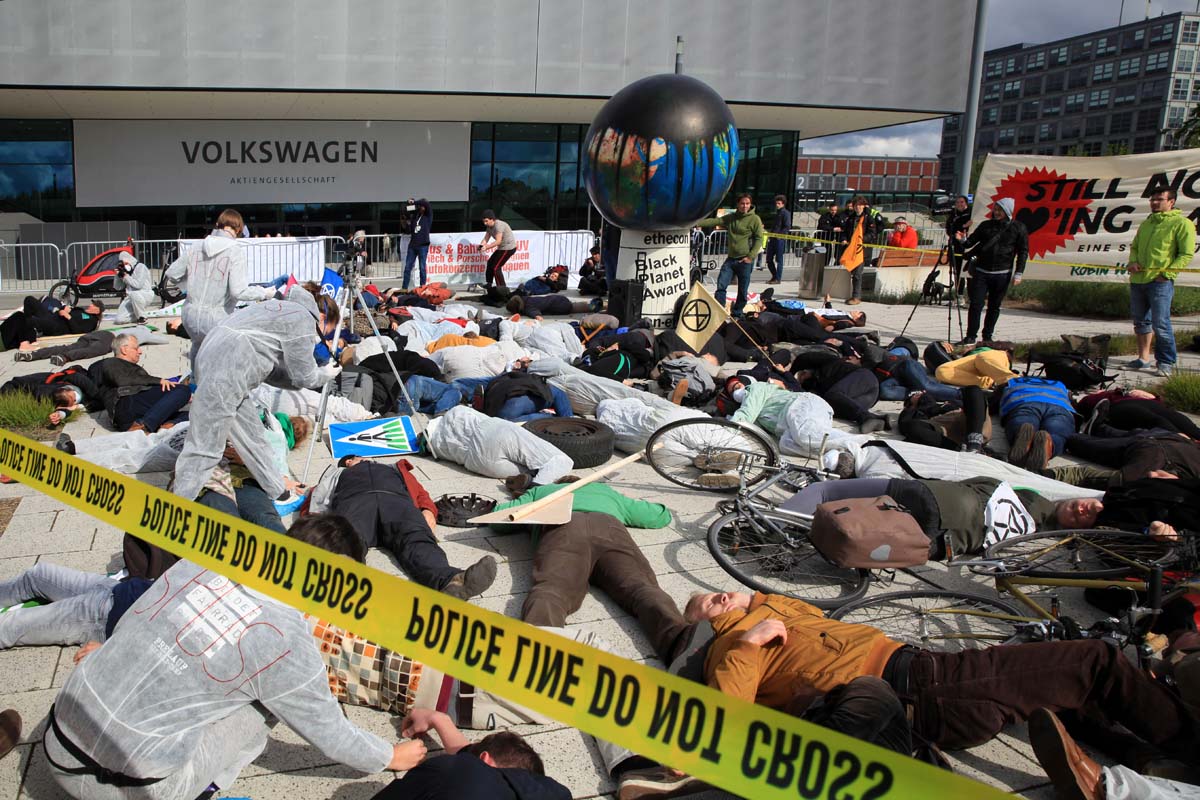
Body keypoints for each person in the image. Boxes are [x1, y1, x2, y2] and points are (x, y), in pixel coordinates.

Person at [44, 515, 428, 800]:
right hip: (125, 789)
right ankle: (205, 788)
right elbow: (330, 733)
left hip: (56, 739)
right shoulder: (287, 641)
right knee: (266, 707)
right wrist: (389, 755)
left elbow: (137, 620)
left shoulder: (202, 564)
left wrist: (108, 651)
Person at [685, 591, 1199, 759]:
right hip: (924, 690)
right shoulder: (730, 645)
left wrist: (760, 603)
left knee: (1062, 683)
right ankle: (1188, 742)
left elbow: (805, 614)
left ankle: (1139, 758)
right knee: (1095, 659)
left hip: (927, 677)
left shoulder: (773, 608)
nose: (721, 595)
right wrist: (747, 641)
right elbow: (724, 716)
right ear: (707, 622)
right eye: (709, 601)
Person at [172, 283, 342, 503]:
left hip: (221, 367)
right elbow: (304, 377)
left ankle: (277, 487)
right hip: (227, 372)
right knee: (205, 447)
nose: (320, 339)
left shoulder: (275, 308)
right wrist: (325, 374)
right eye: (326, 331)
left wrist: (311, 376)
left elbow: (270, 370)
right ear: (321, 317)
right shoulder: (302, 319)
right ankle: (177, 504)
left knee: (253, 435)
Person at [496, 484, 688, 664]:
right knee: (641, 588)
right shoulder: (605, 491)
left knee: (552, 590)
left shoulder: (542, 491)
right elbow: (658, 517)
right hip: (608, 528)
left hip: (563, 529)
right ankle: (682, 643)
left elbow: (499, 519)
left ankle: (538, 652)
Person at [309, 455, 497, 599]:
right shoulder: (337, 473)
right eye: (360, 457)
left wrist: (428, 510)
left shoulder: (395, 469)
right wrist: (317, 528)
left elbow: (421, 493)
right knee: (347, 537)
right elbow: (318, 497)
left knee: (417, 538)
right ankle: (344, 581)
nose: (368, 459)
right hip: (357, 501)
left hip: (396, 502)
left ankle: (453, 582)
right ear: (350, 461)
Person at [164, 207, 274, 374]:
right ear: (238, 229)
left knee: (197, 349)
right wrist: (264, 293)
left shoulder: (196, 246)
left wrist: (190, 286)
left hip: (190, 314)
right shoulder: (234, 251)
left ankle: (195, 390)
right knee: (222, 363)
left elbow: (172, 274)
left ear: (219, 224)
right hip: (217, 317)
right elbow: (239, 291)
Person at [369, 712, 568, 800]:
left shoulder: (457, 772)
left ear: (485, 759)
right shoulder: (552, 792)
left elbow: (465, 767)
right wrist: (439, 719)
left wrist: (391, 756)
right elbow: (470, 764)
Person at [1126, 188, 1194, 377]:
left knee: (1161, 323)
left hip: (1160, 283)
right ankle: (1143, 359)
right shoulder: (1147, 222)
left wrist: (1167, 274)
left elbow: (1186, 254)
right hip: (1139, 280)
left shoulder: (1182, 223)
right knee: (1140, 322)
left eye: (1159, 199)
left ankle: (1165, 362)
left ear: (1171, 202)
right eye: (1152, 199)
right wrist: (1132, 262)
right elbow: (1135, 247)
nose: (1155, 203)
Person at [956, 196, 1028, 344]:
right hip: (981, 271)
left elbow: (1023, 252)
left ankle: (987, 337)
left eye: (1000, 210)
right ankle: (970, 336)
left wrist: (1019, 273)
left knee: (994, 306)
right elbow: (970, 242)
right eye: (995, 209)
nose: (996, 212)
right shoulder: (985, 225)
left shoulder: (1018, 228)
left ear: (1007, 211)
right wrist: (962, 239)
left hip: (1002, 273)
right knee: (976, 304)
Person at [89, 332, 192, 432]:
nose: (140, 352)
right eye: (136, 348)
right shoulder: (111, 362)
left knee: (193, 413)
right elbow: (123, 381)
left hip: (136, 408)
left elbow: (144, 384)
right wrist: (159, 381)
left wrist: (171, 394)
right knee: (183, 390)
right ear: (124, 350)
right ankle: (146, 425)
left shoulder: (128, 367)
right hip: (126, 403)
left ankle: (164, 425)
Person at [695, 194, 765, 318]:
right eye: (742, 203)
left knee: (743, 289)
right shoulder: (732, 217)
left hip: (745, 260)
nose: (745, 206)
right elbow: (716, 221)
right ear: (738, 204)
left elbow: (759, 238)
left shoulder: (755, 219)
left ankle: (737, 312)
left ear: (750, 205)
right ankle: (719, 310)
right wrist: (695, 222)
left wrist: (750, 257)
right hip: (731, 259)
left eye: (747, 203)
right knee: (721, 284)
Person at [1000, 376, 1076, 472]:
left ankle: (1021, 437)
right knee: (1058, 430)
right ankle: (1049, 445)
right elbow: (1072, 400)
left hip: (1025, 403)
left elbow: (993, 401)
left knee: (1022, 421)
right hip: (1059, 406)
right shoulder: (1059, 384)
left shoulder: (1013, 381)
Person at [11, 325, 167, 366]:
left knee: (68, 346)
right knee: (91, 351)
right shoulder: (144, 333)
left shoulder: (131, 328)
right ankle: (64, 358)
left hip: (98, 333)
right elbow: (162, 340)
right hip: (108, 339)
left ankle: (33, 355)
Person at [0, 296, 104, 351]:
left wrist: (69, 317)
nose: (90, 305)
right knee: (29, 300)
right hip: (53, 316)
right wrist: (64, 309)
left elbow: (78, 330)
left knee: (25, 319)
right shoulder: (82, 310)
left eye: (93, 305)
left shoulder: (92, 321)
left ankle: (27, 337)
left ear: (97, 311)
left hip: (56, 326)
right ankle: (29, 333)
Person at [842, 196, 886, 305]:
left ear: (863, 206)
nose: (858, 207)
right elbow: (845, 231)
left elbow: (872, 233)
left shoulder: (869, 218)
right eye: (856, 205)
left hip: (862, 250)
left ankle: (856, 297)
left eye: (860, 205)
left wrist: (862, 239)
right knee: (854, 273)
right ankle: (856, 294)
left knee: (857, 274)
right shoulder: (851, 218)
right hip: (851, 249)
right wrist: (844, 239)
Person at [480, 209, 517, 289]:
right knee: (490, 263)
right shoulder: (489, 227)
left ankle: (502, 288)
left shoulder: (499, 225)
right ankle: (489, 284)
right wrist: (481, 246)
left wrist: (486, 247)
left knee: (496, 267)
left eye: (486, 221)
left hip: (508, 248)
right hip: (502, 248)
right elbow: (486, 239)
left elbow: (498, 241)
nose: (485, 223)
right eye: (484, 221)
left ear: (492, 219)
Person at [114, 251, 155, 324]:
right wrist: (118, 275)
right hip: (130, 297)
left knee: (134, 294)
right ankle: (137, 315)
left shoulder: (141, 267)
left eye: (126, 263)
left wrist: (126, 276)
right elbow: (118, 287)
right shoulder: (126, 272)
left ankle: (142, 317)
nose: (125, 266)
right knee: (119, 320)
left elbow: (138, 285)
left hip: (144, 294)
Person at [944, 194, 972, 290]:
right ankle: (958, 295)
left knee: (968, 273)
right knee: (957, 272)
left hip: (967, 247)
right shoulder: (953, 215)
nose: (959, 204)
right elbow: (949, 229)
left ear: (966, 203)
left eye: (962, 202)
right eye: (957, 202)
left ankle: (971, 295)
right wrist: (961, 227)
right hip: (955, 246)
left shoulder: (970, 213)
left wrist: (964, 227)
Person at [403, 198, 432, 289]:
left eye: (422, 206)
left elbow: (425, 203)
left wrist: (414, 202)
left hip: (423, 245)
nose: (421, 207)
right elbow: (405, 210)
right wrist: (409, 205)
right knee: (408, 268)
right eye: (420, 206)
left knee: (422, 268)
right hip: (413, 245)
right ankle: (404, 288)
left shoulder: (428, 215)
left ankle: (422, 287)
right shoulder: (415, 216)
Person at [765, 194, 790, 285]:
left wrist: (780, 235)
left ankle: (778, 278)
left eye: (779, 203)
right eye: (776, 203)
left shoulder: (785, 213)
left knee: (779, 260)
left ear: (783, 204)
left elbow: (787, 227)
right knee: (769, 259)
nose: (777, 205)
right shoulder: (777, 213)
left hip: (780, 239)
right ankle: (774, 276)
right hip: (773, 238)